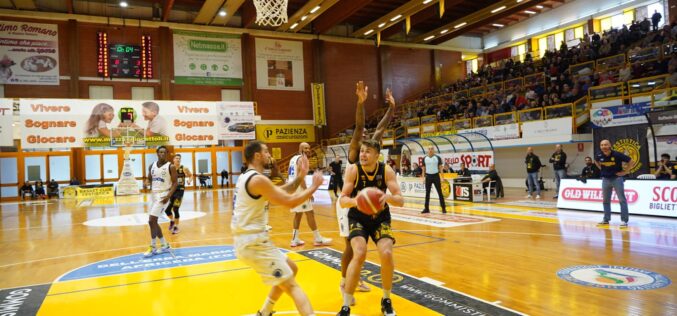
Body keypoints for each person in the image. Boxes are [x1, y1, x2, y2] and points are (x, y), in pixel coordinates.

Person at [232, 141, 322, 316]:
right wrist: (313, 187)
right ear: (257, 156)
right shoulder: (257, 179)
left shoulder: (247, 176)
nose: (269, 155)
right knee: (292, 286)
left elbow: (282, 190)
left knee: (292, 269)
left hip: (251, 240)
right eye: (266, 152)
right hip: (254, 244)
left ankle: (265, 312)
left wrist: (300, 177)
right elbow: (289, 201)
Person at [337, 82, 397, 299]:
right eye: (363, 149)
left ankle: (354, 279)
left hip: (368, 205)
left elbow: (380, 128)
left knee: (360, 249)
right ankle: (345, 282)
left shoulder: (375, 151)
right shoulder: (356, 151)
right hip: (349, 201)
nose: (364, 151)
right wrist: (360, 103)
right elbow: (360, 127)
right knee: (351, 247)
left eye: (368, 150)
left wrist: (392, 108)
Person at [337, 139, 404, 316]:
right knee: (359, 252)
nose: (363, 155)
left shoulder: (386, 170)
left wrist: (386, 197)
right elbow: (343, 200)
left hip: (380, 218)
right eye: (362, 151)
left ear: (377, 155)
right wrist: (356, 201)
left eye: (367, 151)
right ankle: (345, 306)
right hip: (358, 217)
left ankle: (386, 299)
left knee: (387, 253)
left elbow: (400, 200)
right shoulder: (353, 170)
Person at [287, 142, 332, 247]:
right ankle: (318, 238)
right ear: (300, 148)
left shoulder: (293, 158)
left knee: (298, 214)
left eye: (309, 148)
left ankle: (295, 239)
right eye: (305, 148)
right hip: (299, 190)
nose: (308, 150)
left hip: (293, 189)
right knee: (310, 213)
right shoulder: (302, 159)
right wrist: (308, 192)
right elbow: (300, 177)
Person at [143, 146, 177, 257]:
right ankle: (164, 245)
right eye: (160, 152)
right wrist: (147, 182)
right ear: (157, 153)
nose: (162, 154)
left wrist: (168, 196)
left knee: (152, 220)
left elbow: (175, 183)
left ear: (167, 153)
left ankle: (153, 247)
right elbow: (149, 178)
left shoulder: (170, 166)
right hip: (154, 195)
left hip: (163, 195)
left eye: (164, 152)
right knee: (152, 221)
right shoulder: (151, 165)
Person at [595, 139, 636, 227]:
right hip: (605, 179)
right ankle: (606, 219)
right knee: (605, 200)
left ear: (610, 145)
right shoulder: (599, 155)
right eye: (602, 145)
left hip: (616, 179)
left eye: (605, 145)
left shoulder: (617, 154)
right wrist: (601, 169)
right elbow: (596, 161)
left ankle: (624, 220)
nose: (603, 146)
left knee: (622, 200)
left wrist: (625, 172)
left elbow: (631, 161)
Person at [165, 154, 192, 234]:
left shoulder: (184, 168)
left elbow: (191, 176)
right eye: (176, 158)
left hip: (180, 190)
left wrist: (189, 181)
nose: (178, 159)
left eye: (179, 158)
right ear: (173, 160)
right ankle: (172, 221)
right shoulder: (170, 168)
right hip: (172, 190)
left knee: (176, 208)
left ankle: (176, 227)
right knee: (167, 210)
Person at [421, 146, 446, 214]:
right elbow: (423, 170)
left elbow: (440, 168)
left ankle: (443, 208)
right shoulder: (424, 158)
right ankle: (426, 208)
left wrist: (442, 177)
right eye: (429, 149)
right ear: (427, 150)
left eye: (432, 149)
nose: (430, 150)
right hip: (428, 176)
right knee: (427, 193)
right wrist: (423, 178)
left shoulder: (437, 158)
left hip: (436, 176)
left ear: (434, 150)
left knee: (440, 193)